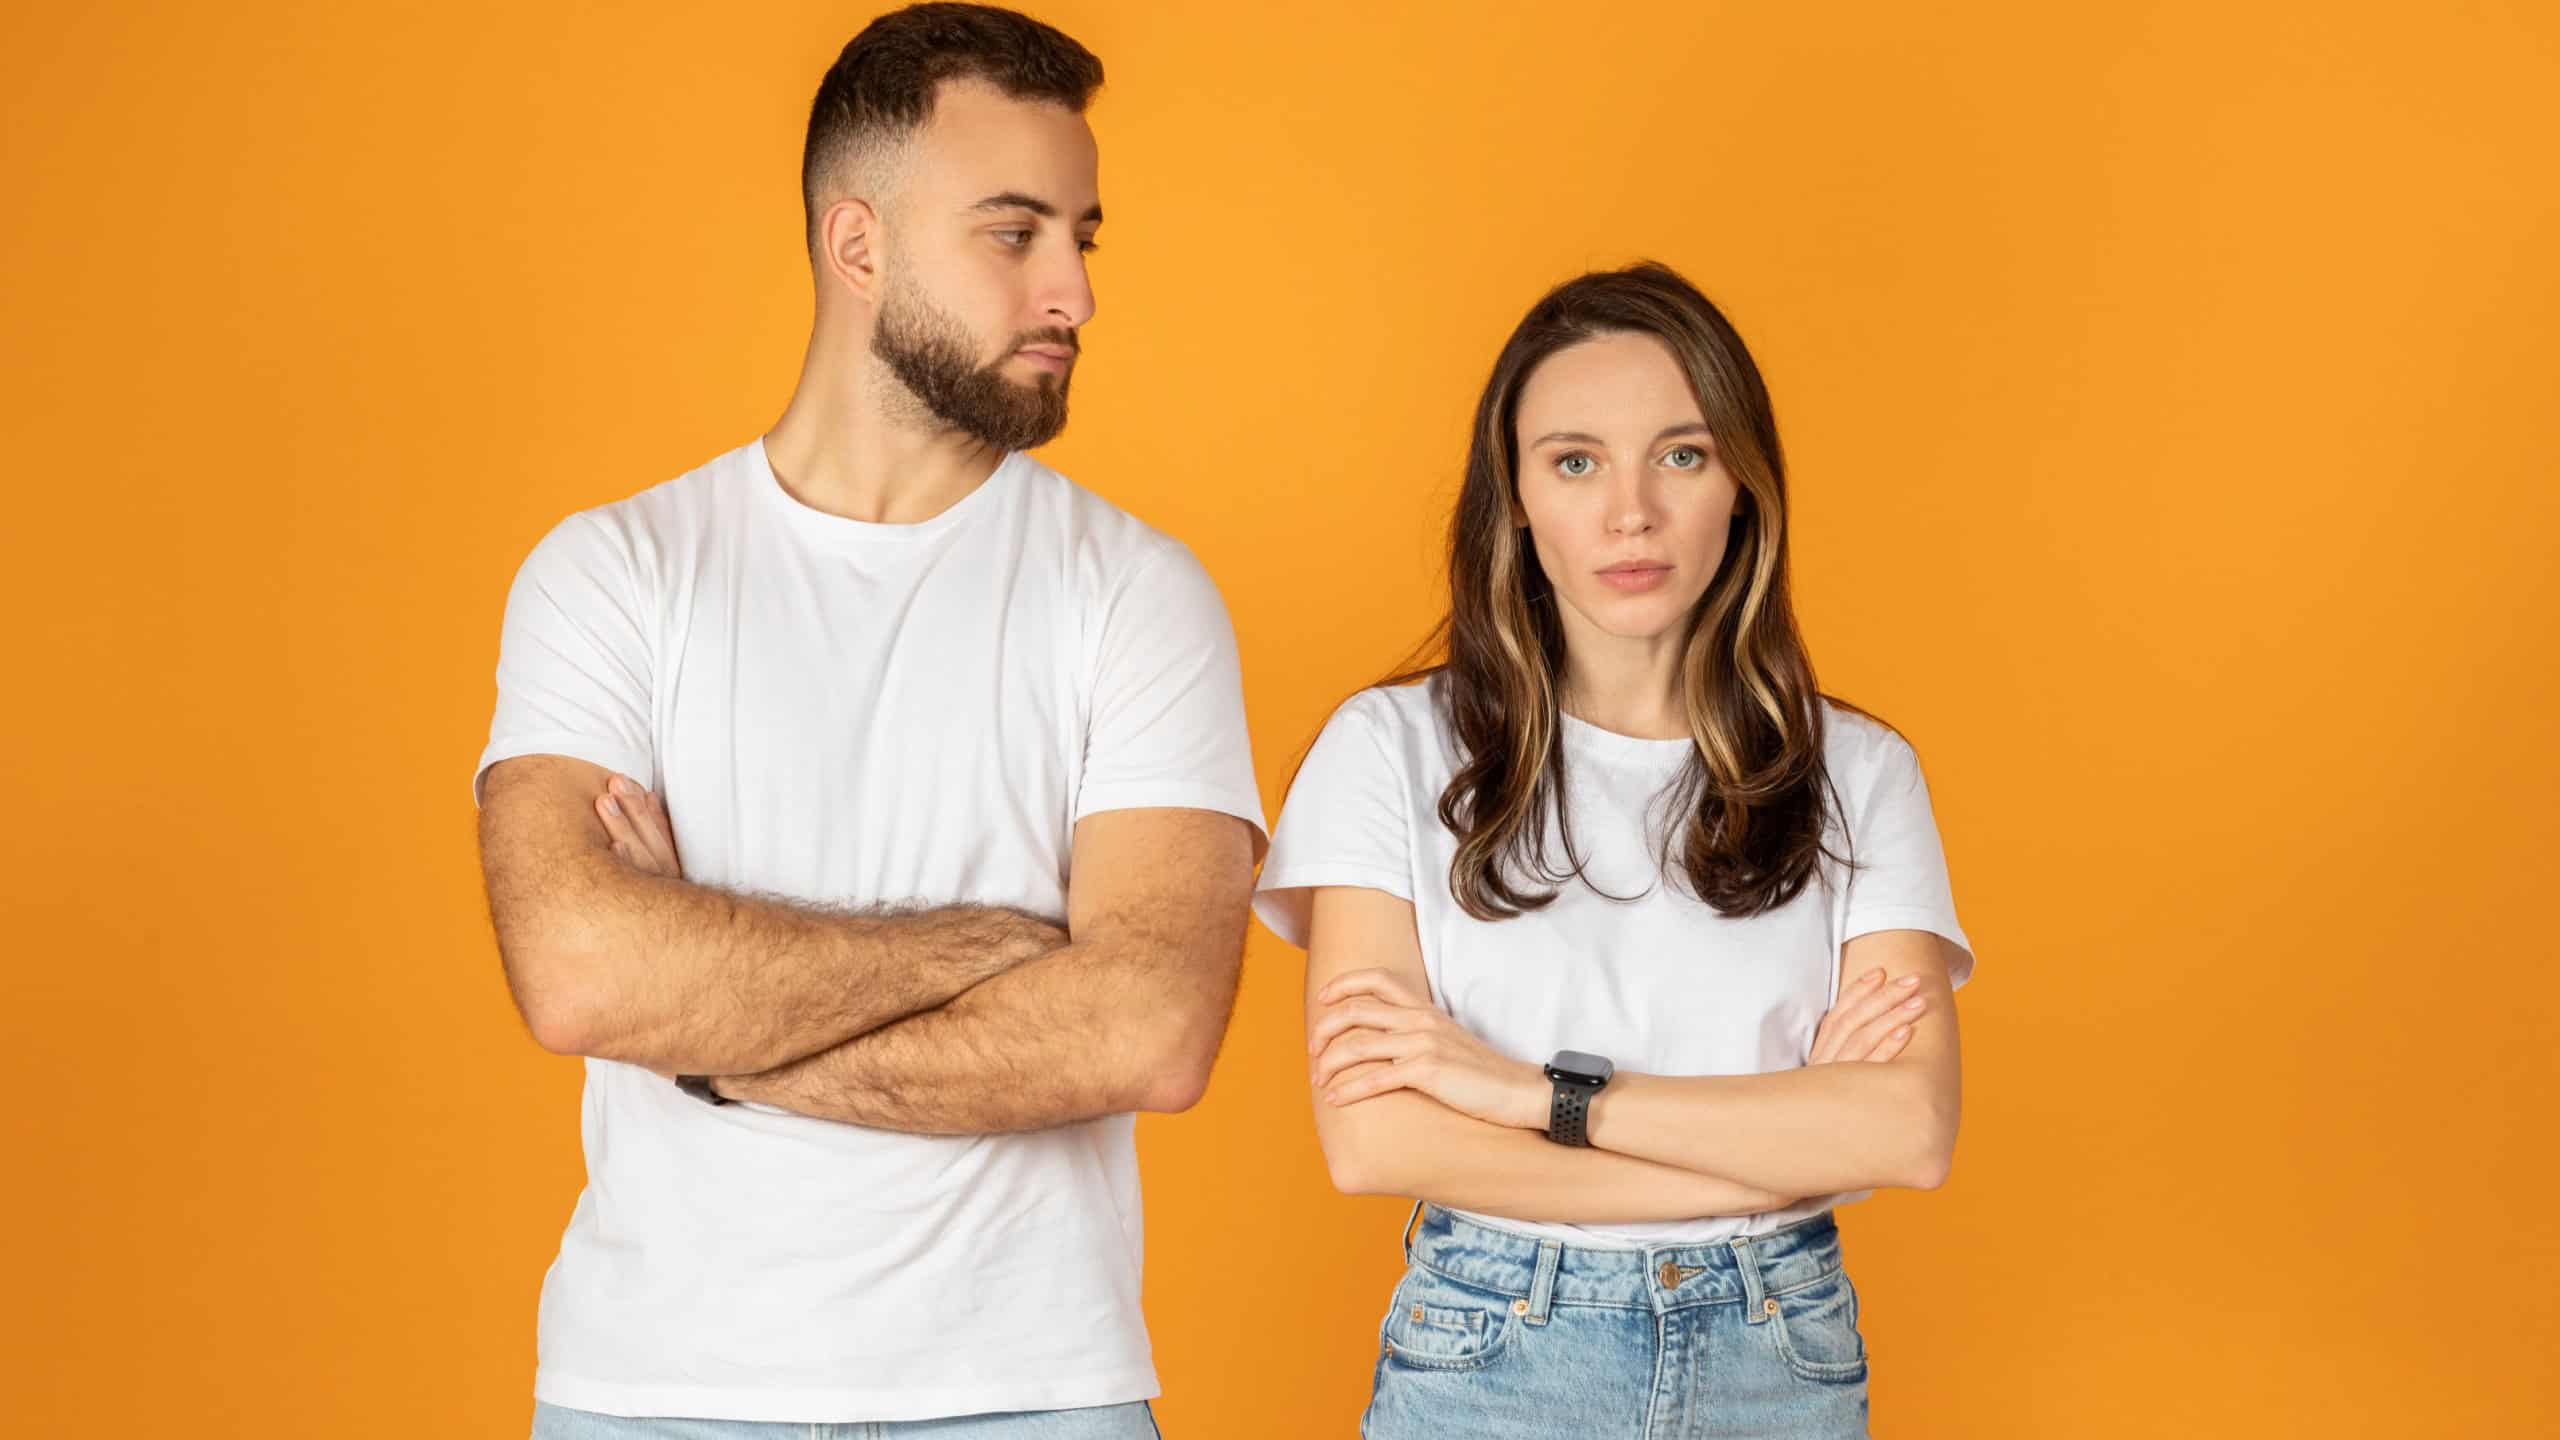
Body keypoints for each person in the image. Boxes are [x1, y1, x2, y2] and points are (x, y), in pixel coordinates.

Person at [472, 7, 1263, 1435]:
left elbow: (1146, 1030)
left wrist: (708, 1036)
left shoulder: (1137, 594)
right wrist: (984, 949)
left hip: (1036, 1394)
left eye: (1084, 237)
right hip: (658, 1389)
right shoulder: (616, 571)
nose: (1074, 291)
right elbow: (581, 976)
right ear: (859, 247)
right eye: (1015, 234)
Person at [1252, 262, 1974, 1438]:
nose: (1629, 513)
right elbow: (1375, 1138)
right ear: (1518, 497)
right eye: (1575, 461)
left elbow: (1906, 1131)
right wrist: (1779, 1154)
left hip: (1779, 1354)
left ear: (1741, 485)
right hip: (1492, 1348)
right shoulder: (1387, 749)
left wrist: (1534, 1096)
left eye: (1681, 455)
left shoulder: (1859, 771)